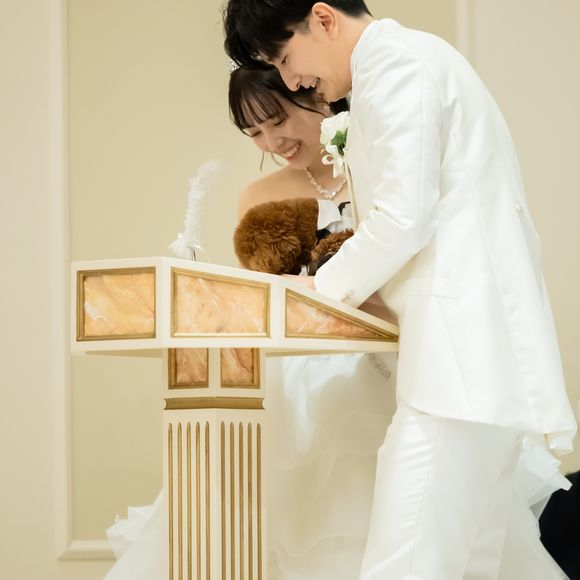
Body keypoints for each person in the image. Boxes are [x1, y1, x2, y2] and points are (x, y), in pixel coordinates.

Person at [223, 1, 578, 579]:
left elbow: (401, 221)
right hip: (476, 364)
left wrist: (310, 293)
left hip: (456, 368)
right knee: (470, 566)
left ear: (323, 19)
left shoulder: (397, 66)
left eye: (286, 59)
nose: (293, 80)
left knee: (405, 564)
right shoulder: (414, 59)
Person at [103, 65, 397, 580]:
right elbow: (260, 306)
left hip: (386, 352)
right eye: (254, 132)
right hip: (296, 366)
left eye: (277, 120)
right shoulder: (258, 195)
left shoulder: (378, 172)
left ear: (315, 96)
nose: (271, 142)